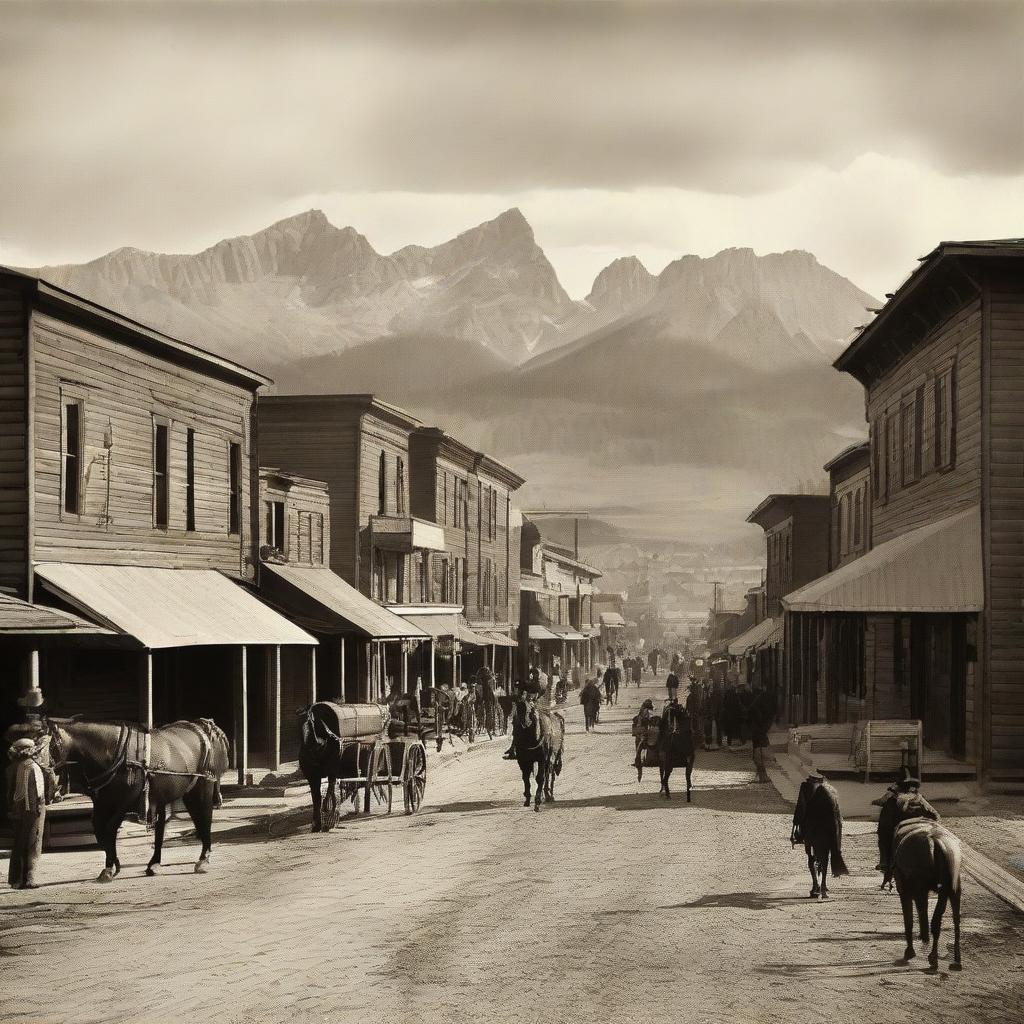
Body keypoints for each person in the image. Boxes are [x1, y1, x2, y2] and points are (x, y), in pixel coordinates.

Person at [6, 737, 46, 889]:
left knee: (19, 844)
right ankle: (27, 879)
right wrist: (34, 811)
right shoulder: (31, 766)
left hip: (20, 810)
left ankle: (17, 880)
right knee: (30, 843)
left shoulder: (19, 766)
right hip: (30, 810)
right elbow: (33, 792)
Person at [502, 670, 544, 759]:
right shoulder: (528, 684)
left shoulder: (537, 685)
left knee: (535, 720)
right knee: (517, 726)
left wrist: (532, 701)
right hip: (527, 705)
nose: (531, 675)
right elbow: (523, 696)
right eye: (530, 673)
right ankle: (513, 749)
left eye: (533, 674)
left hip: (533, 706)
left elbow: (536, 697)